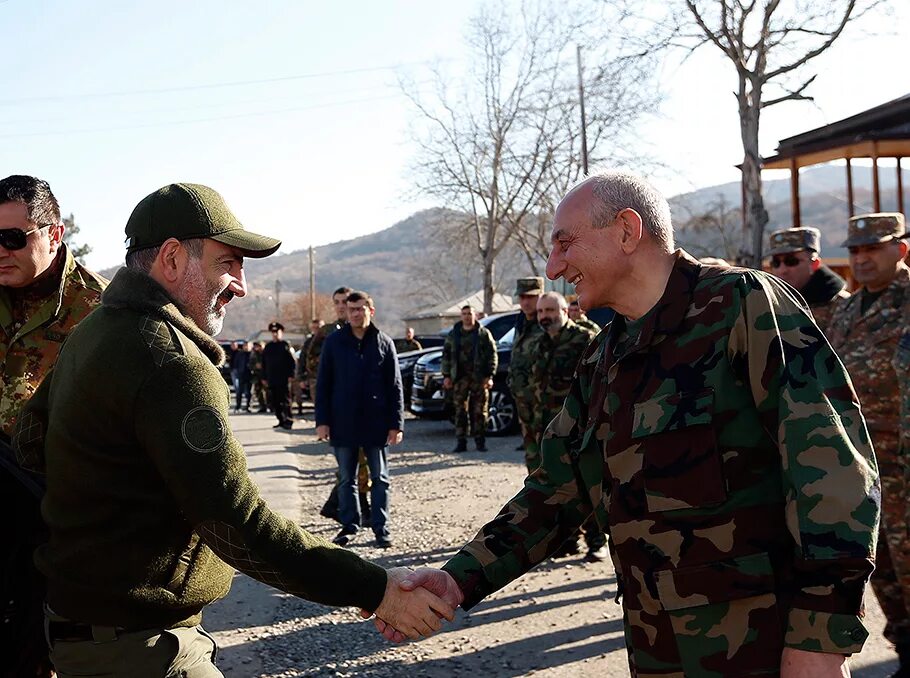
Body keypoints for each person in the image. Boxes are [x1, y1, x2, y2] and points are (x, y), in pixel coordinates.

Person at [386, 170, 879, 677]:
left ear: (626, 230)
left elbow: (831, 468)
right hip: (657, 646)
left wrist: (821, 635)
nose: (555, 267)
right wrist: (460, 580)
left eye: (565, 244)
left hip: (763, 645)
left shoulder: (741, 306)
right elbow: (556, 491)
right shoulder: (605, 356)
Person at [12, 182, 453, 677]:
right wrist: (376, 590)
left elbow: (30, 444)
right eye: (229, 263)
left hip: (81, 630)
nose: (240, 284)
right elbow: (236, 521)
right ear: (173, 259)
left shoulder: (94, 331)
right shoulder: (169, 360)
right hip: (137, 646)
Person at [0, 175, 107, 678]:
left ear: (55, 234)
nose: (0, 252)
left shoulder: (101, 313)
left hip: (54, 516)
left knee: (42, 651)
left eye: (12, 238)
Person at [827, 212, 910, 676]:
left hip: (905, 460)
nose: (861, 258)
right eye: (855, 250)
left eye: (872, 248)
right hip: (863, 465)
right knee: (882, 567)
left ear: (900, 250)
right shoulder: (846, 308)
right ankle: (904, 647)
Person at [315, 290, 403, 548]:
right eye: (351, 309)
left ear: (370, 311)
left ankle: (381, 528)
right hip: (344, 422)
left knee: (381, 479)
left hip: (376, 424)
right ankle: (350, 525)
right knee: (346, 479)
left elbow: (395, 386)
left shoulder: (384, 342)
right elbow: (324, 384)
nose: (355, 313)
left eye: (360, 309)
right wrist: (322, 421)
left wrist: (396, 424)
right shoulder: (334, 342)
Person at [528, 291, 606, 563]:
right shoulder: (538, 344)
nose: (544, 316)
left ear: (564, 310)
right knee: (555, 488)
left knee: (588, 483)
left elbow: (599, 384)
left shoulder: (583, 340)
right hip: (548, 430)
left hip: (580, 428)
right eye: (540, 312)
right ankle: (566, 541)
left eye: (549, 310)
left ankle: (597, 542)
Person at [767, 226, 849, 329]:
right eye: (776, 263)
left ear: (814, 264)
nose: (782, 270)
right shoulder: (770, 303)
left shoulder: (843, 306)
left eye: (791, 261)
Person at [441, 305, 497, 452]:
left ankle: (480, 441)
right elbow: (446, 355)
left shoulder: (483, 334)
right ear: (461, 316)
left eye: (469, 314)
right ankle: (461, 441)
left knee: (480, 411)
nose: (467, 316)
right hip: (460, 378)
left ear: (475, 315)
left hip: (479, 378)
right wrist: (446, 376)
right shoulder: (454, 335)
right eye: (464, 314)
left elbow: (492, 354)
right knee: (460, 411)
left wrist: (489, 376)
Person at [508, 277, 545, 453]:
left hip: (543, 400)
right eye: (522, 297)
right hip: (523, 398)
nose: (525, 302)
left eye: (530, 297)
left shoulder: (547, 324)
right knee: (531, 451)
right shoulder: (521, 323)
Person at [262, 321, 296, 430]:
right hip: (272, 378)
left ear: (281, 332)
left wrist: (291, 375)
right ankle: (280, 420)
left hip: (283, 378)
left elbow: (292, 362)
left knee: (285, 400)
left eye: (277, 332)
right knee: (275, 401)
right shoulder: (268, 347)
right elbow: (264, 363)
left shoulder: (285, 345)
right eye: (273, 332)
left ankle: (288, 420)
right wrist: (264, 377)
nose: (275, 334)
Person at [295, 318, 324, 401]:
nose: (316, 330)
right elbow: (302, 360)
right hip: (314, 377)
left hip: (329, 376)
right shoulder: (308, 343)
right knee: (318, 403)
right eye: (314, 328)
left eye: (319, 328)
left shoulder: (329, 341)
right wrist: (301, 378)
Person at [232, 341, 253, 412]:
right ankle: (238, 406)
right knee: (239, 392)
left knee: (249, 392)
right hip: (241, 375)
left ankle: (248, 406)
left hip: (250, 375)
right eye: (245, 346)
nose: (246, 347)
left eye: (247, 346)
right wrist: (237, 372)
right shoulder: (240, 354)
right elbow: (236, 363)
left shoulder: (252, 354)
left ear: (250, 346)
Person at [249, 340, 268, 412]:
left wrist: (263, 366)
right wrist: (255, 366)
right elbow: (250, 365)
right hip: (257, 375)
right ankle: (263, 406)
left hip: (267, 375)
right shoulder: (254, 354)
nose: (258, 348)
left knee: (269, 392)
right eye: (257, 346)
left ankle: (271, 406)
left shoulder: (266, 354)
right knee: (258, 391)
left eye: (259, 346)